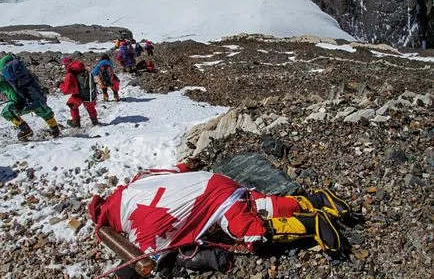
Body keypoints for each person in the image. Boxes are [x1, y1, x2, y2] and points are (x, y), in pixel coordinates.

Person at [89, 158, 351, 268]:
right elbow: (174, 171)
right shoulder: (137, 182)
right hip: (216, 181)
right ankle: (315, 200)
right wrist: (186, 165)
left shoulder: (139, 226)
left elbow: (154, 258)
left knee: (251, 234)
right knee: (258, 204)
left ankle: (308, 224)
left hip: (217, 202)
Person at [0, 54, 60, 140]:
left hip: (21, 105)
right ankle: (54, 128)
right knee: (44, 111)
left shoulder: (4, 81)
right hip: (38, 100)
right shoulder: (27, 74)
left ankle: (25, 130)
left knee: (6, 112)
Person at [59, 56, 98, 127]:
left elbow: (66, 91)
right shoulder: (83, 70)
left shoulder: (70, 74)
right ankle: (94, 120)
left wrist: (60, 85)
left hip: (77, 95)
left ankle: (76, 122)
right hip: (88, 93)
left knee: (72, 104)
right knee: (90, 107)